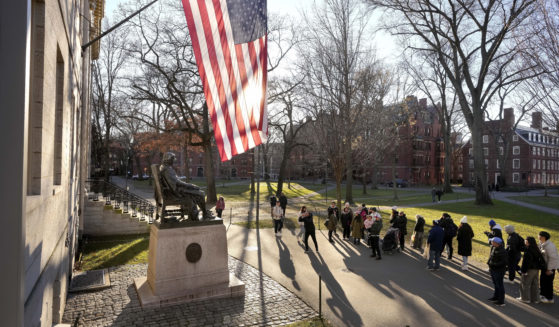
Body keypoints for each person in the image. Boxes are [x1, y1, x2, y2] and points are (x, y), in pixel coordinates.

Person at [517, 236, 545, 303]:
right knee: (535, 284)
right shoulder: (536, 249)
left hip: (529, 269)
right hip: (536, 269)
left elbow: (526, 262)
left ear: (528, 242)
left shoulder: (528, 250)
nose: (525, 242)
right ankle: (535, 299)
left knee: (525, 283)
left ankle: (525, 299)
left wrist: (524, 271)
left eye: (526, 241)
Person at [539, 231, 559, 304]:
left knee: (548, 283)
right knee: (543, 281)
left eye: (539, 236)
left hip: (550, 268)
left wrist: (549, 269)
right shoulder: (542, 244)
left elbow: (553, 259)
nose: (538, 237)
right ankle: (543, 296)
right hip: (545, 267)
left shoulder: (550, 246)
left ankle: (549, 298)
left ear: (543, 237)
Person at [487, 237, 507, 306]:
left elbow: (504, 262)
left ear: (497, 243)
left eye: (492, 241)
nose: (491, 242)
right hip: (493, 269)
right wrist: (488, 263)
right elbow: (491, 256)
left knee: (500, 285)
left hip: (499, 271)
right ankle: (495, 297)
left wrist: (493, 264)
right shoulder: (493, 247)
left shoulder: (502, 251)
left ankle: (501, 301)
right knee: (495, 284)